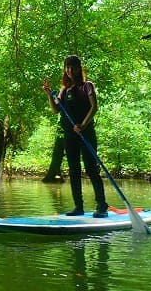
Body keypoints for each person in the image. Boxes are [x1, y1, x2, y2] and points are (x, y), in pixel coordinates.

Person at [43, 55, 108, 218]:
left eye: (72, 67)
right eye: (67, 67)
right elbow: (55, 110)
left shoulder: (87, 86)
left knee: (92, 169)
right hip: (70, 135)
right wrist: (49, 95)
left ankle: (102, 206)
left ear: (79, 68)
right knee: (74, 170)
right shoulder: (64, 89)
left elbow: (94, 107)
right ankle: (78, 207)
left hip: (86, 133)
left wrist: (83, 125)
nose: (69, 70)